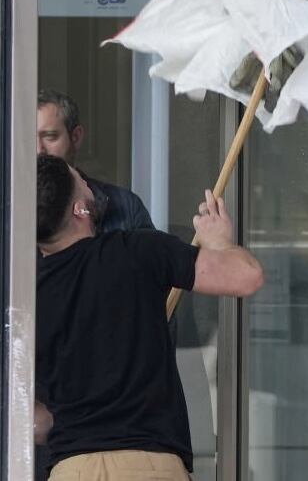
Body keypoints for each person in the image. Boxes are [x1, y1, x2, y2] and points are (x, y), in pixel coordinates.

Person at [34, 154, 264, 480]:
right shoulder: (138, 251)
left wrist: (58, 418)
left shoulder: (27, 297)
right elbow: (246, 276)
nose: (89, 185)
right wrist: (220, 241)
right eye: (81, 181)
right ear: (79, 210)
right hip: (146, 465)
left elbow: (30, 416)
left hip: (71, 470)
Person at [38, 89, 154, 233]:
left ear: (75, 137)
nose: (38, 149)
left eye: (50, 136)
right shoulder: (10, 210)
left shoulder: (126, 207)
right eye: (28, 139)